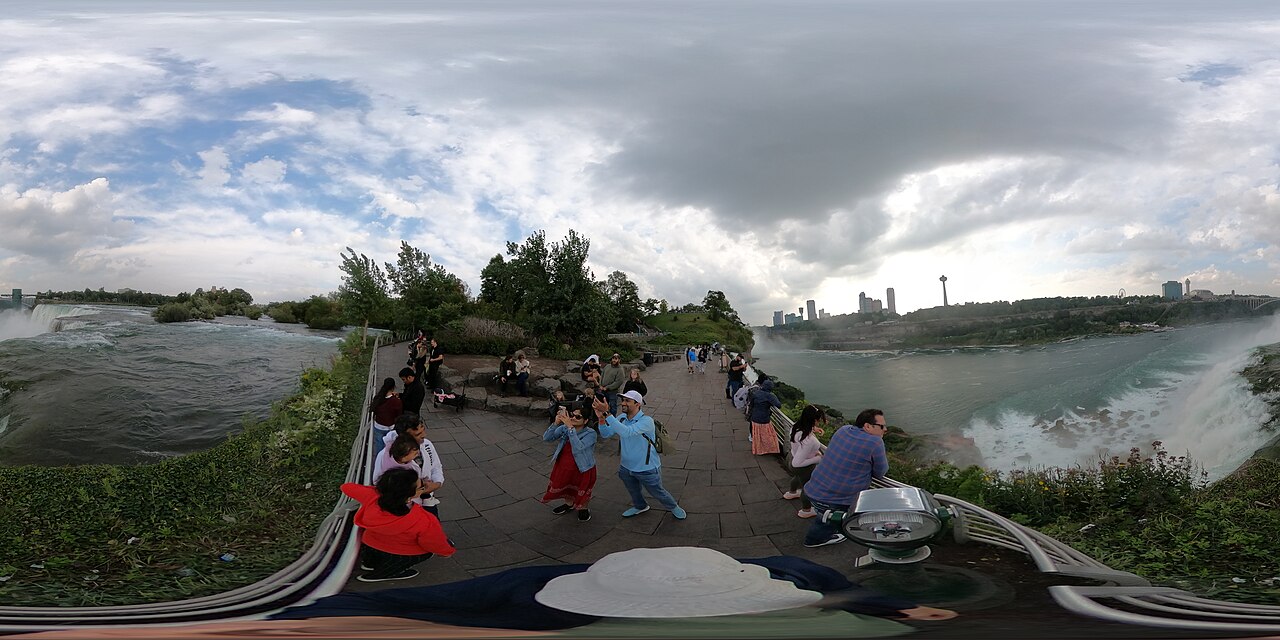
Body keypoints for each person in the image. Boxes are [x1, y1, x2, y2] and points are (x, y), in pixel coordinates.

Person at [341, 467, 455, 582]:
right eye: (422, 487)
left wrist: (380, 490)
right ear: (409, 495)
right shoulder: (424, 520)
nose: (425, 484)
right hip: (398, 552)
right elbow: (434, 542)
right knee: (427, 553)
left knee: (374, 552)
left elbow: (346, 487)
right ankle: (381, 575)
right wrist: (447, 552)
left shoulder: (372, 497)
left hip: (370, 544)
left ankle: (369, 564)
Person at [802, 409, 890, 548]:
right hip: (833, 500)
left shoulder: (843, 430)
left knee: (825, 514)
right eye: (881, 426)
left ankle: (826, 519)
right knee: (826, 522)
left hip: (813, 488)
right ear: (867, 426)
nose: (885, 429)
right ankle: (815, 539)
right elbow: (881, 472)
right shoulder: (875, 442)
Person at [592, 390, 686, 519]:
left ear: (638, 404)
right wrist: (601, 419)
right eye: (623, 400)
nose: (623, 403)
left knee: (658, 492)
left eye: (627, 401)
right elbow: (606, 434)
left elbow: (627, 432)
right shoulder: (622, 418)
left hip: (646, 468)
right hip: (626, 467)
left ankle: (673, 506)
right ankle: (640, 506)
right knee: (633, 490)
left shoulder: (647, 421)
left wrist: (607, 413)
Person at [540, 403, 599, 522]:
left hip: (583, 468)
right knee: (566, 487)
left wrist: (570, 428)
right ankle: (569, 504)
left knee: (582, 489)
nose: (573, 418)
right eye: (572, 415)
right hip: (564, 465)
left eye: (578, 417)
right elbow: (547, 438)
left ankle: (583, 508)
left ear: (586, 420)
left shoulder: (590, 434)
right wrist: (556, 423)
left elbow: (579, 447)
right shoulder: (564, 428)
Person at [381, 412, 445, 516]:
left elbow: (436, 467)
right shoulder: (385, 456)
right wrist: (411, 493)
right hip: (406, 510)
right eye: (418, 434)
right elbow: (379, 483)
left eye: (423, 430)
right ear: (403, 437)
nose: (424, 435)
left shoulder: (427, 444)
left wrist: (437, 483)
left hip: (428, 501)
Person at [785, 405, 828, 518]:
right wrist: (818, 458)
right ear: (814, 420)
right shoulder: (809, 440)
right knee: (807, 487)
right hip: (802, 466)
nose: (818, 423)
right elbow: (797, 464)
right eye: (818, 420)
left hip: (791, 458)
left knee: (797, 477)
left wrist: (813, 429)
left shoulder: (796, 426)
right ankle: (806, 510)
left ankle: (792, 493)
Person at [368, 377, 402, 456]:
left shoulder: (378, 398)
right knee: (390, 448)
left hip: (378, 426)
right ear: (393, 387)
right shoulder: (397, 401)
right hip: (390, 427)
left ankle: (378, 462)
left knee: (379, 447)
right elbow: (399, 416)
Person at [748, 379, 782, 455]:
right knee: (767, 436)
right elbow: (778, 405)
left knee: (757, 435)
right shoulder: (770, 396)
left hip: (754, 417)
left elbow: (751, 404)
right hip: (764, 419)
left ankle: (758, 449)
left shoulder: (756, 393)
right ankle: (767, 450)